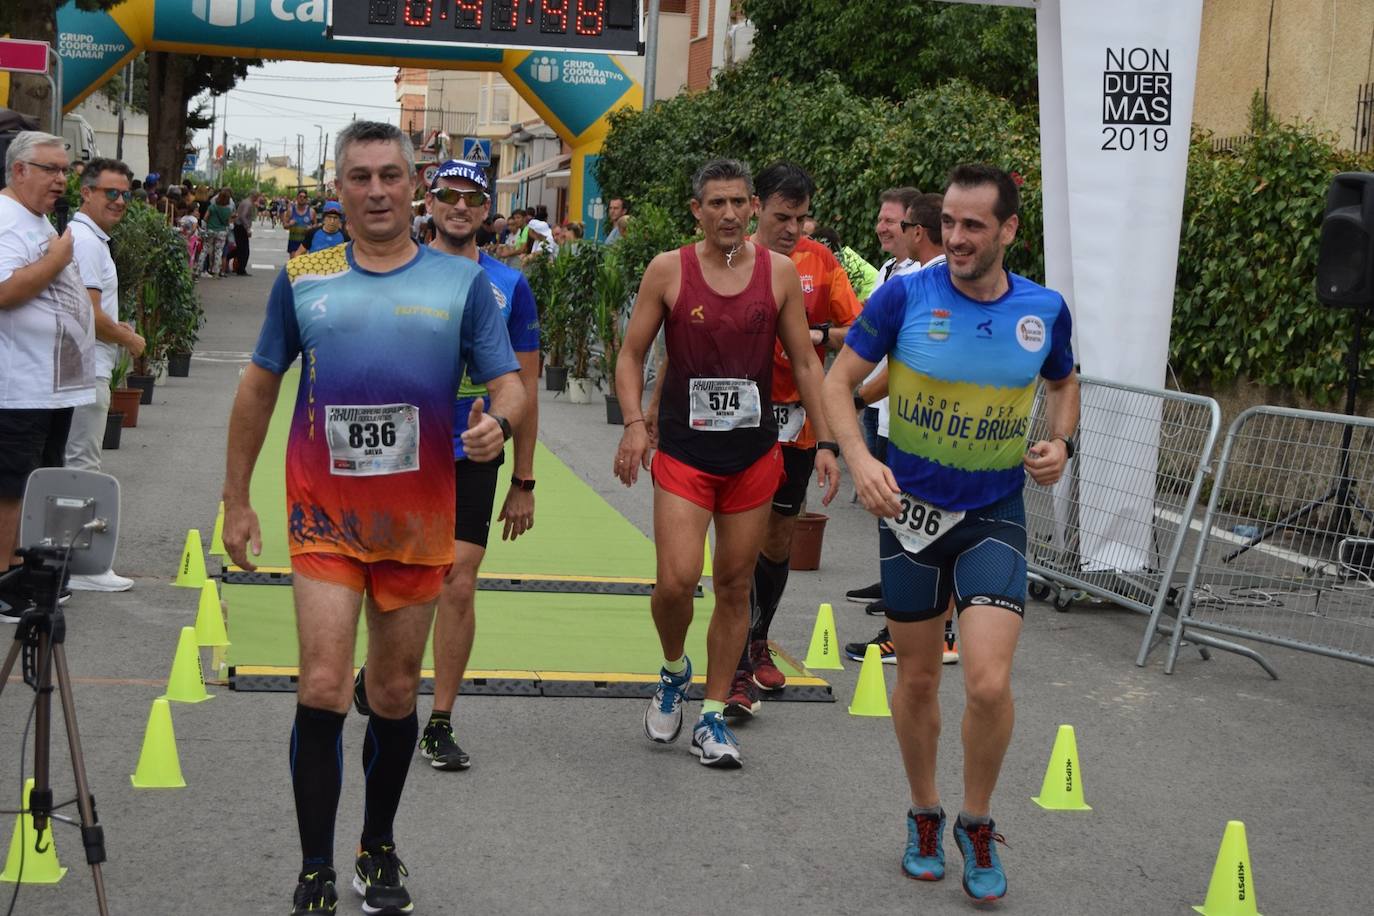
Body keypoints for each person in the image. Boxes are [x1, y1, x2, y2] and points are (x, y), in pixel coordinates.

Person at [220, 122, 526, 916]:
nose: (378, 191)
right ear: (340, 188)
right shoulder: (305, 275)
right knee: (324, 685)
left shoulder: (464, 285)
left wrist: (500, 421)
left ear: (415, 187)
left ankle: (377, 846)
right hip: (323, 515)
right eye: (361, 177)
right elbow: (258, 387)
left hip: (418, 523)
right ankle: (316, 866)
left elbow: (513, 382)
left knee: (392, 695)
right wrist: (236, 499)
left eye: (392, 175)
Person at [821, 164, 1079, 902]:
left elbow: (1064, 382)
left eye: (973, 226)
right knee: (921, 678)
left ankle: (977, 820)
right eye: (951, 224)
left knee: (991, 682)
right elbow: (839, 383)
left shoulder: (1043, 309)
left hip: (995, 510)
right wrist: (862, 457)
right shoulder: (907, 294)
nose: (956, 239)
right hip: (908, 516)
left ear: (1007, 231)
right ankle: (924, 811)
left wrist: (1062, 444)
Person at [612, 158, 830, 768]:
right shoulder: (669, 270)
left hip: (754, 455)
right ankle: (674, 668)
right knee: (677, 581)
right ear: (697, 211)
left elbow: (807, 365)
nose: (730, 214)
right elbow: (630, 355)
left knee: (735, 584)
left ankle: (711, 718)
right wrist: (634, 425)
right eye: (717, 204)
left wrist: (831, 442)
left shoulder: (779, 273)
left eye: (739, 202)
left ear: (752, 206)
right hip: (685, 452)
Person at [354, 159, 541, 772]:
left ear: (488, 211)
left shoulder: (509, 287)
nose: (460, 207)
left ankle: (439, 720)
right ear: (428, 202)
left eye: (473, 199)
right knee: (397, 572)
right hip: (401, 449)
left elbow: (525, 388)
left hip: (471, 451)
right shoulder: (400, 268)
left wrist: (524, 479)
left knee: (457, 578)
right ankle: (383, 671)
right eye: (449, 196)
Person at [847, 191, 961, 664]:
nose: (895, 231)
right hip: (910, 423)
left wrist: (855, 396)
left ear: (919, 231)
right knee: (913, 528)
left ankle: (932, 633)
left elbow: (912, 364)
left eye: (904, 223)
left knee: (920, 532)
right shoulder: (919, 277)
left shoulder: (933, 285)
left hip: (923, 429)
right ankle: (930, 629)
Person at [0, 132, 95, 621]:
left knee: (40, 483)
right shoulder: (4, 219)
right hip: (19, 387)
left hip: (51, 388)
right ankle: (2, 584)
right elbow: (3, 291)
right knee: (12, 489)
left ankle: (29, 575)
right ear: (19, 170)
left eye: (65, 170)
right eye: (51, 169)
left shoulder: (36, 219)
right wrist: (56, 260)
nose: (62, 179)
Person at [64, 158, 145, 592]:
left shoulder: (86, 237)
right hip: (85, 369)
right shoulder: (89, 243)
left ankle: (70, 561)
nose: (119, 201)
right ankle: (81, 566)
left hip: (81, 367)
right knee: (82, 467)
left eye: (125, 194)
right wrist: (128, 339)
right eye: (110, 192)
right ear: (87, 192)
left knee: (75, 464)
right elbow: (91, 315)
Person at [201, 187, 234, 278]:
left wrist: (204, 229)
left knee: (205, 250)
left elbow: (205, 218)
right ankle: (216, 272)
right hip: (222, 232)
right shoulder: (228, 210)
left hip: (211, 230)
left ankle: (198, 268)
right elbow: (228, 223)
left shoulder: (212, 207)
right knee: (218, 252)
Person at [232, 190, 259, 276]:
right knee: (244, 250)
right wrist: (247, 228)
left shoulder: (245, 202)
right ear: (254, 196)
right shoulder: (248, 204)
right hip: (241, 227)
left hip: (238, 226)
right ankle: (241, 269)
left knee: (240, 248)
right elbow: (243, 216)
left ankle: (239, 267)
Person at [284, 189, 315, 257]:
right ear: (297, 198)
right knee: (293, 264)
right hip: (293, 242)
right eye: (300, 196)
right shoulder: (291, 210)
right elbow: (284, 225)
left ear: (307, 199)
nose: (302, 199)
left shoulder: (311, 211)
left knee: (303, 265)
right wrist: (290, 224)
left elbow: (316, 227)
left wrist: (311, 228)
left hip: (305, 243)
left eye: (304, 197)